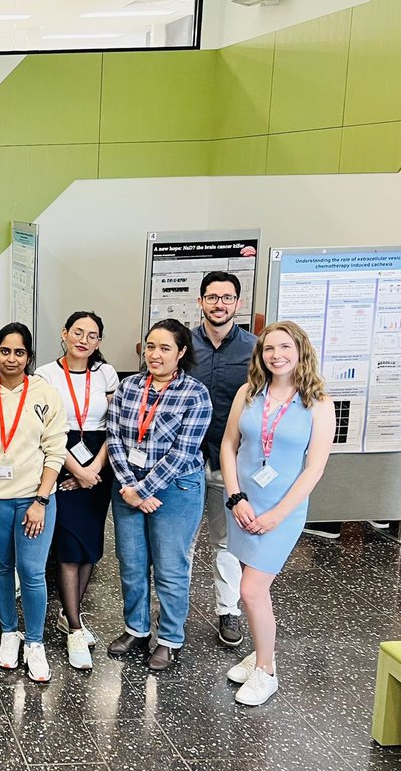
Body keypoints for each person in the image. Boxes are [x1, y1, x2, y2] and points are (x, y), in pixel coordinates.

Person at [220, 322, 334, 705]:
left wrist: (277, 515)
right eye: (269, 349)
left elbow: (314, 469)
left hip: (282, 510)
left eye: (285, 347)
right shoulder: (248, 393)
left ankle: (266, 670)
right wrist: (236, 498)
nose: (276, 355)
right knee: (248, 588)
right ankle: (259, 651)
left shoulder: (317, 402)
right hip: (245, 505)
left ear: (300, 351)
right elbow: (228, 446)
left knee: (252, 590)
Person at [106, 319, 212, 672]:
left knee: (170, 568)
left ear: (181, 353)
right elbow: (115, 438)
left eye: (165, 348)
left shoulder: (195, 394)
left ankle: (169, 639)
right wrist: (129, 488)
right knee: (132, 565)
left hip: (176, 490)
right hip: (127, 488)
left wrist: (142, 490)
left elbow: (183, 452)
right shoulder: (128, 387)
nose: (155, 354)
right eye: (150, 346)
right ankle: (136, 629)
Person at [0, 323, 67, 683]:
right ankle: (9, 633)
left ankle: (36, 642)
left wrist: (41, 499)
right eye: (5, 351)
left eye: (20, 352)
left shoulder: (45, 393)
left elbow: (56, 451)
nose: (12, 359)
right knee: (0, 566)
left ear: (29, 356)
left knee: (32, 571)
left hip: (34, 499)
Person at [34, 312, 119, 671]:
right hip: (59, 454)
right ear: (64, 334)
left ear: (99, 342)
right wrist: (75, 470)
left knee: (88, 550)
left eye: (93, 335)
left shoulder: (107, 374)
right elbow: (45, 429)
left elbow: (114, 425)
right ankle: (73, 628)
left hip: (100, 458)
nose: (84, 340)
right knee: (68, 549)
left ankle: (74, 615)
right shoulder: (45, 374)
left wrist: (94, 470)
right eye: (78, 332)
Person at [190, 271, 257, 648]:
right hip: (183, 458)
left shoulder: (254, 349)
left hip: (230, 459)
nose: (219, 304)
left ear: (238, 303)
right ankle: (170, 614)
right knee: (177, 542)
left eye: (227, 298)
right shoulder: (183, 345)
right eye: (212, 297)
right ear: (200, 302)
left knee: (226, 541)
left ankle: (227, 611)